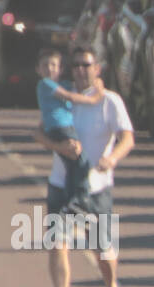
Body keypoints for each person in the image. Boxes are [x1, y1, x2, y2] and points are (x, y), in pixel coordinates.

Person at [33, 46, 134, 287]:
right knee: (57, 242)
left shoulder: (109, 101)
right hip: (61, 184)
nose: (80, 70)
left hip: (96, 185)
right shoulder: (61, 96)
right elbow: (38, 132)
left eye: (86, 65)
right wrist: (58, 147)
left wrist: (111, 158)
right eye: (76, 65)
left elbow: (127, 137)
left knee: (102, 246)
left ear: (97, 68)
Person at [35, 48, 105, 215]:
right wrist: (95, 98)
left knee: (74, 165)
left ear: (61, 69)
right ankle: (78, 200)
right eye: (45, 66)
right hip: (60, 127)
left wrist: (99, 84)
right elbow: (71, 97)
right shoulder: (45, 84)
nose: (49, 69)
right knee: (82, 162)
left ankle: (72, 201)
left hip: (64, 127)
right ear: (38, 70)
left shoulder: (63, 84)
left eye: (53, 65)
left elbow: (80, 87)